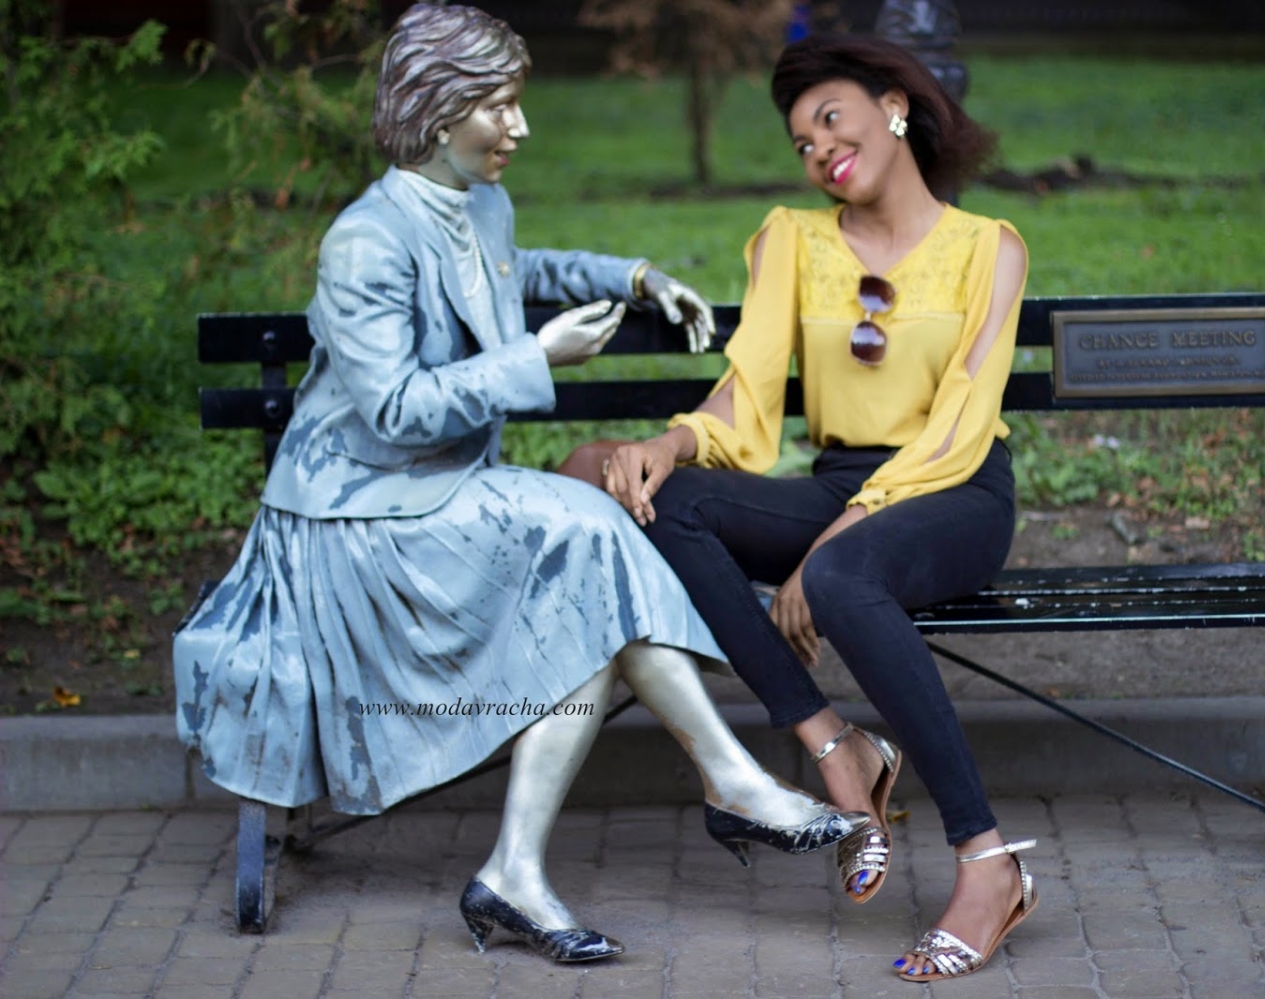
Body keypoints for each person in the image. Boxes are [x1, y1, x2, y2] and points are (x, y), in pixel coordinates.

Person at [172, 5, 867, 965]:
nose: (520, 128)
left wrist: (629, 277)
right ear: (436, 106)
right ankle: (733, 781)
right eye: (497, 107)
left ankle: (519, 871)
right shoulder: (364, 243)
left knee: (582, 584)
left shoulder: (478, 201)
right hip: (359, 522)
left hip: (437, 498)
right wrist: (536, 356)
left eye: (517, 104)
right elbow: (395, 414)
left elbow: (515, 268)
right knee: (589, 533)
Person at [587, 34, 1037, 983]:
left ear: (895, 108)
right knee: (672, 505)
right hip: (842, 488)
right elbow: (744, 393)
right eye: (800, 141)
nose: (818, 149)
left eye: (832, 118)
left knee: (837, 574)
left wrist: (832, 541)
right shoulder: (793, 239)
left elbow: (960, 422)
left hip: (955, 492)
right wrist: (669, 445)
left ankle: (987, 865)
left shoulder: (988, 248)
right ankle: (837, 750)